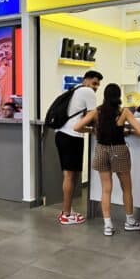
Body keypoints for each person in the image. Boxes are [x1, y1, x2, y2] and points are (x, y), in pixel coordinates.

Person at [74, 83, 140, 236]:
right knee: (126, 188)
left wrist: (92, 130)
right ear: (118, 96)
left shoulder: (97, 112)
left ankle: (108, 225)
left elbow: (77, 127)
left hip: (101, 150)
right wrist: (127, 130)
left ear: (105, 96)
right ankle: (130, 221)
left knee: (106, 190)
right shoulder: (124, 112)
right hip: (119, 150)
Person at [55, 70, 103, 225]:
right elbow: (93, 115)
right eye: (94, 83)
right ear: (86, 80)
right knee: (70, 176)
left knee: (72, 175)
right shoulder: (87, 92)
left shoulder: (75, 90)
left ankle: (67, 211)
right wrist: (98, 128)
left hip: (63, 134)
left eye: (98, 85)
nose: (96, 87)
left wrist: (89, 129)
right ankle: (66, 215)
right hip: (71, 137)